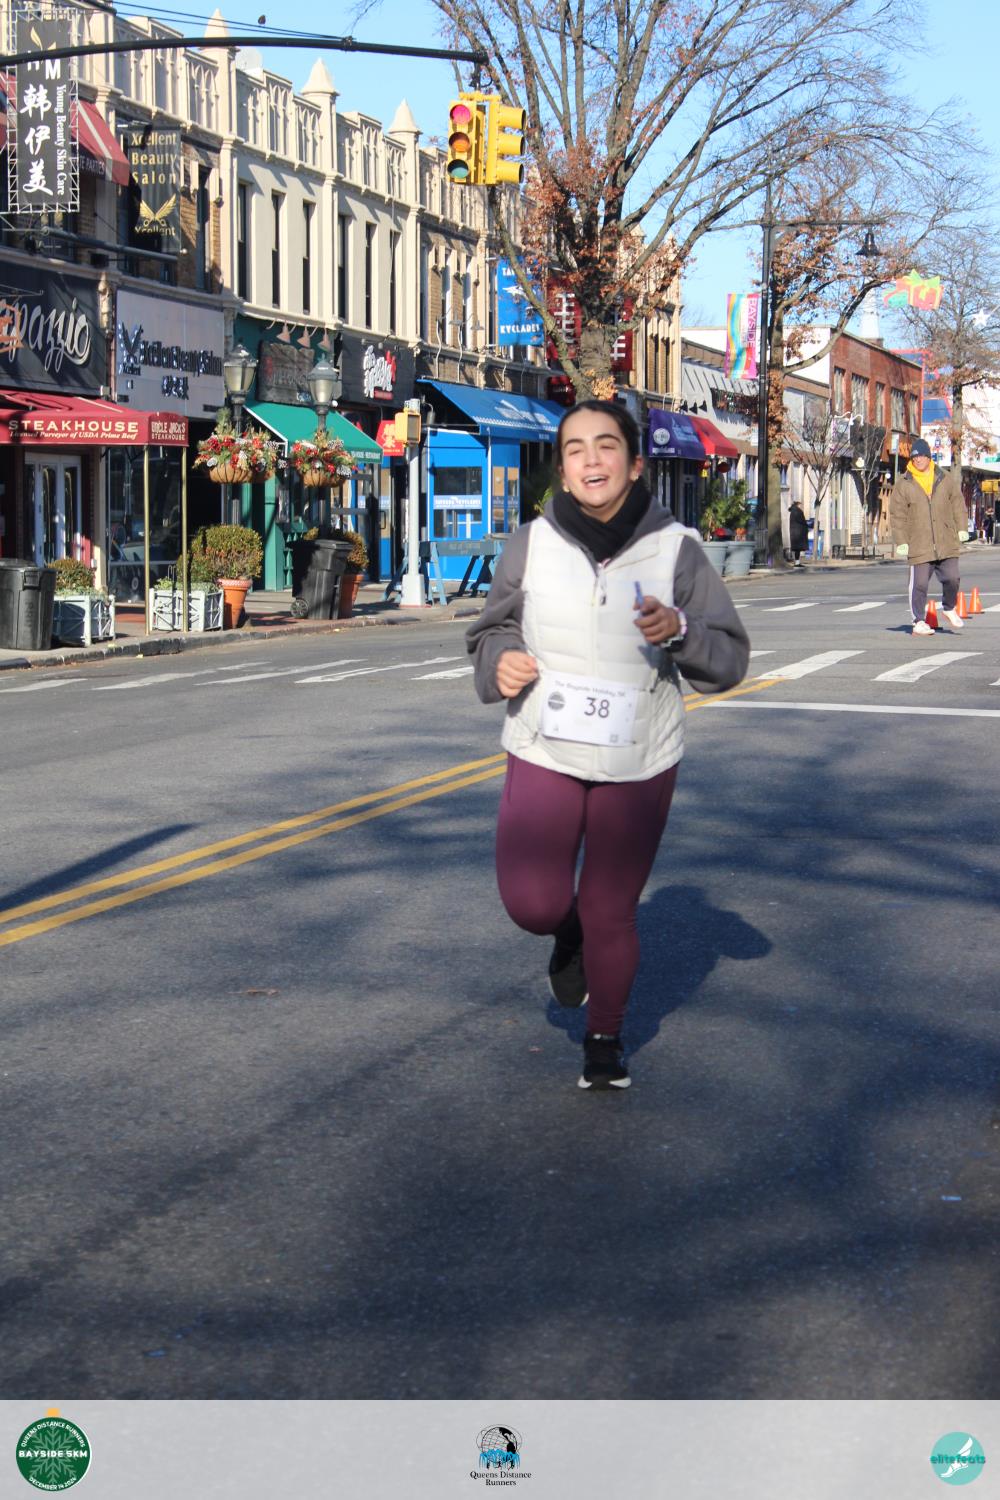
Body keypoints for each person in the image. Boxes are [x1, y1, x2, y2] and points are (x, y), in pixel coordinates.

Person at [465, 400, 750, 1091]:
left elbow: (728, 661)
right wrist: (500, 661)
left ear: (635, 463)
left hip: (638, 755)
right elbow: (491, 630)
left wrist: (680, 631)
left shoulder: (676, 549)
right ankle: (568, 935)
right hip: (546, 743)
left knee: (609, 908)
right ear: (562, 470)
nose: (591, 459)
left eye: (606, 445)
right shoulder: (530, 543)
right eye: (575, 449)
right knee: (533, 904)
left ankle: (605, 1039)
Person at [889, 437, 970, 637]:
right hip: (919, 543)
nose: (918, 460)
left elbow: (958, 505)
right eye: (915, 457)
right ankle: (918, 621)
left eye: (922, 456)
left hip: (946, 541)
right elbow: (897, 515)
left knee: (952, 578)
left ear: (928, 457)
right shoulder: (904, 483)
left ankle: (949, 608)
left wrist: (962, 528)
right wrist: (901, 541)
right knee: (919, 585)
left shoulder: (945, 478)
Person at [788, 500, 809, 565]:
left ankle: (797, 562)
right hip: (798, 532)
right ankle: (797, 563)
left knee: (797, 549)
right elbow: (802, 521)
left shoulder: (793, 511)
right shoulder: (798, 511)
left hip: (795, 532)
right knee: (798, 548)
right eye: (800, 505)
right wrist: (806, 525)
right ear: (798, 505)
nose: (801, 506)